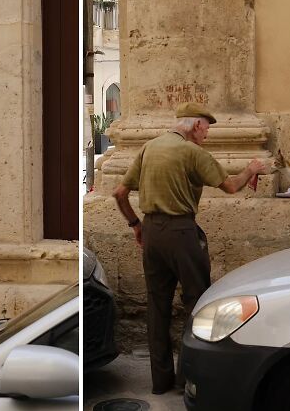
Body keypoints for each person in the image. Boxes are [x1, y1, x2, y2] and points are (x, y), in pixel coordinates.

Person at [113, 102, 268, 394]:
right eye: (206, 129)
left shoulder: (149, 148)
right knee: (197, 305)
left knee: (157, 309)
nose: (206, 136)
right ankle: (187, 379)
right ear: (196, 126)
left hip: (152, 233)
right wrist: (252, 168)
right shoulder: (193, 152)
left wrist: (136, 225)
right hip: (181, 233)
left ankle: (160, 383)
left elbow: (119, 193)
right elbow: (232, 186)